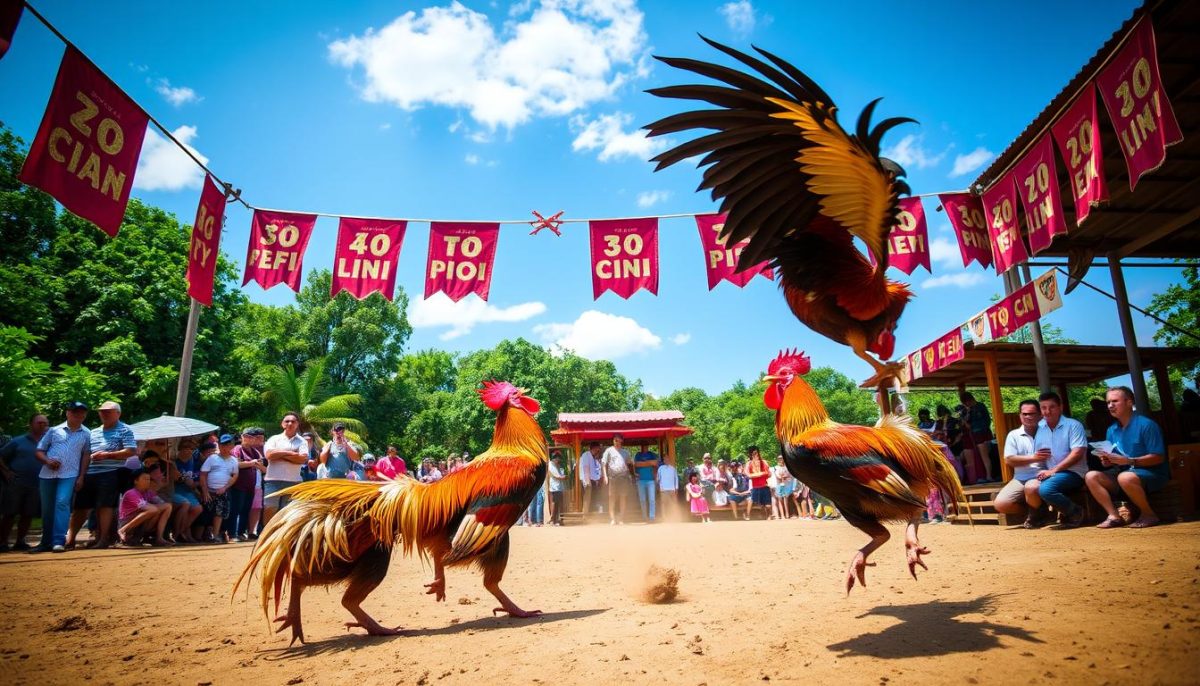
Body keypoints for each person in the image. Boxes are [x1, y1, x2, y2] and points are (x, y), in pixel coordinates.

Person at [1087, 386, 1169, 529]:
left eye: (1115, 401)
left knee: (1125, 477)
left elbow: (1159, 457)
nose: (1110, 405)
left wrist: (1130, 461)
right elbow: (1113, 460)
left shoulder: (1147, 425)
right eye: (1108, 402)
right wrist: (1107, 461)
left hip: (1152, 473)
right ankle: (1114, 516)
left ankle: (1149, 514)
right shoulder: (1111, 430)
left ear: (1129, 402)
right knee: (1091, 476)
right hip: (1122, 473)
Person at [68, 400, 137, 549]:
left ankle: (103, 539)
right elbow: (86, 453)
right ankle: (70, 538)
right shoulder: (93, 432)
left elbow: (131, 451)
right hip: (90, 472)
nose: (104, 414)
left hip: (110, 473)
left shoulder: (125, 430)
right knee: (81, 507)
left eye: (108, 411)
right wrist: (81, 474)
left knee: (104, 506)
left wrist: (107, 455)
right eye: (101, 411)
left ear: (117, 414)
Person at [1024, 392, 1089, 529]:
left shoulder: (1073, 425)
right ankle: (1043, 517)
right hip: (1051, 473)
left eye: (1052, 407)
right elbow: (1041, 455)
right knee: (1030, 486)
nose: (1047, 411)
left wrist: (1053, 470)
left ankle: (1075, 512)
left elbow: (1077, 453)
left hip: (1073, 472)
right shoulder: (1040, 428)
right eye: (1043, 408)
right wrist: (1041, 470)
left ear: (1061, 407)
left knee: (1046, 489)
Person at [33, 402, 91, 553]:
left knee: (62, 503)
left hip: (69, 474)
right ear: (68, 413)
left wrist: (81, 476)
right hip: (47, 474)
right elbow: (39, 450)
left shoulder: (86, 433)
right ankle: (45, 542)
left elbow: (86, 455)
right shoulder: (54, 430)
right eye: (75, 412)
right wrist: (47, 461)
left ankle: (58, 541)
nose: (79, 415)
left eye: (82, 413)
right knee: (47, 509)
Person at [992, 400, 1045, 527]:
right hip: (1020, 478)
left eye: (1031, 414)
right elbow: (1009, 460)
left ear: (1040, 415)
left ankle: (1035, 518)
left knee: (1031, 487)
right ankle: (1035, 513)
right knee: (1000, 504)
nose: (1027, 417)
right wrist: (1034, 458)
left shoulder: (1047, 432)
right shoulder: (1013, 435)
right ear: (1020, 415)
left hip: (1043, 475)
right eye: (1024, 414)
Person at [0, 413, 49, 551]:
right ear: (30, 424)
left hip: (37, 484)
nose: (43, 426)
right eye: (39, 423)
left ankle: (20, 541)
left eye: (45, 423)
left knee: (28, 514)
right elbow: (1, 456)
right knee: (9, 513)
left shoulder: (48, 442)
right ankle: (2, 542)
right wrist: (6, 472)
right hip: (16, 483)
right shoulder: (18, 441)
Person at [262, 413, 307, 525]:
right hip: (273, 481)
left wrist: (280, 455)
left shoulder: (302, 441)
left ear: (297, 424)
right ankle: (267, 535)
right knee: (269, 508)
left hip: (293, 482)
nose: (290, 423)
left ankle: (282, 538)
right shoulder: (274, 439)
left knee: (288, 512)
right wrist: (291, 453)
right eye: (287, 421)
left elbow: (302, 460)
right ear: (282, 424)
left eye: (293, 421)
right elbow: (269, 456)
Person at [117, 468, 171, 547]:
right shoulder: (131, 493)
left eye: (149, 479)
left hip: (139, 523)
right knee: (154, 510)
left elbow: (163, 504)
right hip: (127, 522)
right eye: (145, 479)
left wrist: (157, 488)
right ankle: (123, 530)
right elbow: (152, 509)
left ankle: (159, 538)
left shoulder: (149, 492)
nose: (148, 481)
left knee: (167, 506)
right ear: (136, 481)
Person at [199, 440, 238, 543]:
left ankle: (215, 535)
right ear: (219, 446)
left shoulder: (234, 460)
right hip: (209, 490)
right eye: (223, 445)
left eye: (228, 445)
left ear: (232, 446)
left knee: (219, 513)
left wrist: (225, 487)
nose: (225, 448)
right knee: (206, 513)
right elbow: (203, 474)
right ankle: (201, 535)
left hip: (223, 491)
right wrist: (205, 491)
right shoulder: (212, 458)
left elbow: (234, 476)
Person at [171, 440, 203, 544]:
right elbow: (174, 479)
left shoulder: (192, 461)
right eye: (185, 449)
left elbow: (197, 480)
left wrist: (195, 485)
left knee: (198, 508)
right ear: (179, 450)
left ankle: (182, 531)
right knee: (186, 505)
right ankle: (176, 534)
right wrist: (183, 479)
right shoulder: (174, 463)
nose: (188, 451)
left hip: (188, 491)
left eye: (191, 449)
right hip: (175, 490)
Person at [959, 392, 995, 483]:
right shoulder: (966, 410)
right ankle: (979, 476)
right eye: (965, 403)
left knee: (984, 456)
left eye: (967, 402)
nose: (967, 404)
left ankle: (989, 476)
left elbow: (987, 421)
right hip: (972, 436)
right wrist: (966, 413)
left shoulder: (980, 406)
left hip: (982, 434)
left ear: (971, 399)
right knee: (976, 457)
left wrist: (983, 431)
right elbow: (965, 424)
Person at [602, 434, 634, 525]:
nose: (616, 442)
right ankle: (612, 519)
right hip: (612, 477)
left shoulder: (625, 452)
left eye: (618, 440)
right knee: (612, 498)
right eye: (615, 440)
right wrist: (605, 476)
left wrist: (633, 475)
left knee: (623, 497)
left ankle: (621, 519)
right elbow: (604, 463)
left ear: (621, 441)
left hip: (623, 477)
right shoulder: (609, 450)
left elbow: (630, 464)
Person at [633, 442, 659, 523]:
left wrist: (642, 464)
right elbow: (636, 464)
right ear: (641, 446)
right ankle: (644, 517)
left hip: (651, 480)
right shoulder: (638, 455)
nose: (645, 447)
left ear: (648, 446)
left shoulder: (652, 454)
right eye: (643, 446)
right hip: (640, 480)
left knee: (652, 499)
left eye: (646, 446)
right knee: (642, 500)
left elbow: (655, 463)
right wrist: (649, 463)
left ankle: (652, 517)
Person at [745, 446, 772, 519]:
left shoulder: (764, 462)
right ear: (751, 455)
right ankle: (764, 517)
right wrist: (761, 474)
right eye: (754, 453)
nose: (756, 455)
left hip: (764, 486)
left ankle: (769, 515)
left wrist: (758, 474)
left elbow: (769, 474)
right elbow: (748, 475)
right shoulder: (748, 464)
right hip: (756, 487)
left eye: (757, 453)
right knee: (760, 505)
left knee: (768, 505)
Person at [772, 455, 795, 520]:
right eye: (779, 459)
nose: (780, 460)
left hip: (786, 485)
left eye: (782, 458)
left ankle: (787, 514)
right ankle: (782, 515)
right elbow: (778, 476)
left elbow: (788, 475)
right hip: (779, 485)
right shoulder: (775, 467)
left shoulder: (787, 467)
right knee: (780, 500)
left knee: (786, 500)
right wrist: (783, 477)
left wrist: (783, 476)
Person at [656, 454, 678, 521]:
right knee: (663, 504)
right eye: (665, 459)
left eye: (668, 458)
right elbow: (658, 478)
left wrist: (676, 488)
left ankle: (673, 516)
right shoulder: (660, 468)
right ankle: (664, 517)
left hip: (672, 489)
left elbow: (676, 478)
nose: (666, 460)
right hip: (663, 489)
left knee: (673, 503)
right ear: (664, 460)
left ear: (669, 460)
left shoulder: (673, 468)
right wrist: (659, 487)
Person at [548, 452, 567, 526]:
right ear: (555, 458)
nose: (559, 460)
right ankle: (553, 519)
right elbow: (556, 476)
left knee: (558, 503)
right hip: (555, 487)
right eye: (558, 458)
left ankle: (557, 520)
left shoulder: (557, 465)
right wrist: (563, 477)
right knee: (555, 503)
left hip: (558, 487)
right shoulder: (551, 465)